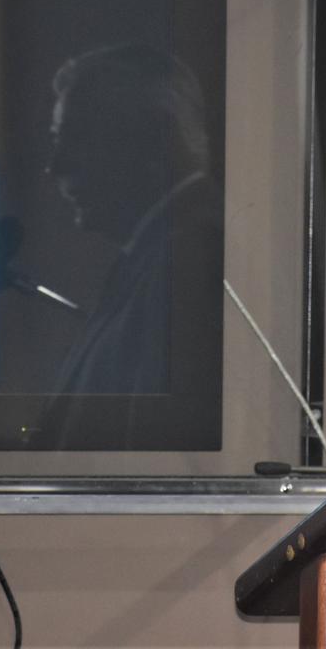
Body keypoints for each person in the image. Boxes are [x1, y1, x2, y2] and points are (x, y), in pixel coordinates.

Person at [45, 44, 224, 406]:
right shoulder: (157, 254)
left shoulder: (188, 262)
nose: (56, 166)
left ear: (152, 140)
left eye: (75, 140)